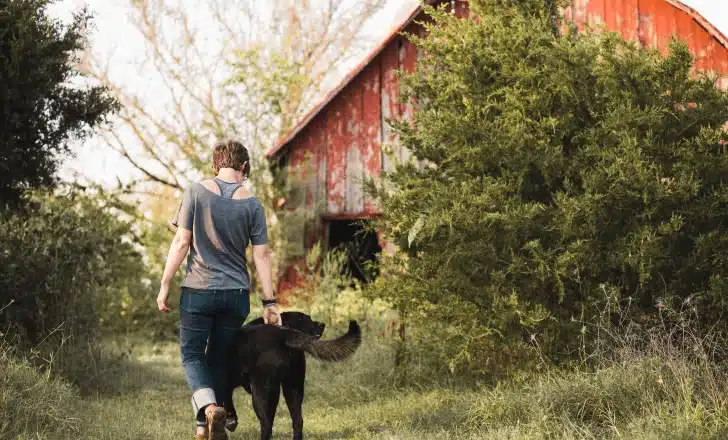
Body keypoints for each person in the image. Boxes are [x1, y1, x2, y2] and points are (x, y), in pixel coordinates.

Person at [156, 140, 281, 440]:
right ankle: (205, 429)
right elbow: (261, 255)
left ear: (215, 165)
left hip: (198, 291)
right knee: (219, 357)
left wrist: (164, 284)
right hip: (236, 295)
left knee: (191, 355)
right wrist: (270, 302)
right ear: (245, 167)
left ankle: (209, 408)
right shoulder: (252, 204)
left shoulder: (195, 192)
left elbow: (181, 243)